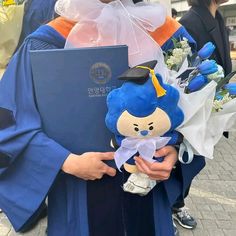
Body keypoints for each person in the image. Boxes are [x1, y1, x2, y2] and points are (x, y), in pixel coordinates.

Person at [0, 0, 205, 235]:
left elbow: (197, 114)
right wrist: (65, 161)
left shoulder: (169, 37)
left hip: (148, 189)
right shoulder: (46, 41)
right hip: (77, 194)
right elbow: (8, 124)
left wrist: (176, 150)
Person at [171, 0, 232, 230]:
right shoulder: (189, 22)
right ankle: (174, 205)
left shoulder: (216, 17)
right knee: (184, 162)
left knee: (196, 161)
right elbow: (181, 72)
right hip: (192, 109)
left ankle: (176, 203)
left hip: (211, 107)